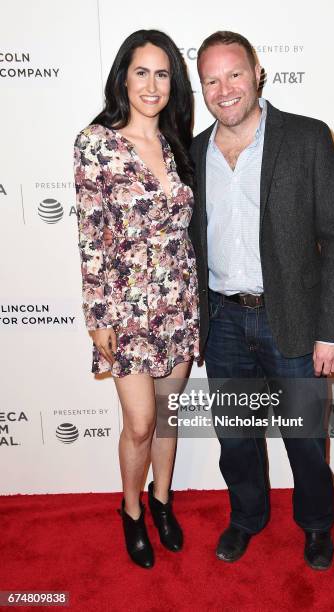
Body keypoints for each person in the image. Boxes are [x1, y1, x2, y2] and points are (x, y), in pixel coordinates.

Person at [187, 31, 334, 570]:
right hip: (223, 320)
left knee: (305, 440)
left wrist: (332, 331)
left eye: (234, 73)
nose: (224, 88)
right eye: (211, 80)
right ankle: (247, 519)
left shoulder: (306, 138)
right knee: (235, 439)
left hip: (295, 322)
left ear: (257, 72)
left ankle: (316, 525)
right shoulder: (193, 152)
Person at [73, 29, 200, 569]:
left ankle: (162, 502)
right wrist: (97, 314)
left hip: (179, 300)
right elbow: (90, 232)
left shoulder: (179, 142)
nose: (152, 84)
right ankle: (130, 511)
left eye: (163, 73)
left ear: (175, 82)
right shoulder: (95, 142)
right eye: (142, 71)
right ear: (123, 76)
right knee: (141, 421)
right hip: (125, 307)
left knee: (169, 415)